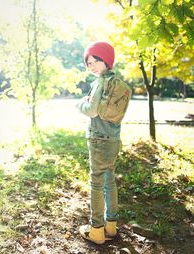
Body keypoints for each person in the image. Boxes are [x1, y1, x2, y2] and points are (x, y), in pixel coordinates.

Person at [76, 41, 122, 244]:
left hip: (98, 139)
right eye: (88, 63)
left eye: (95, 61)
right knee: (109, 180)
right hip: (113, 139)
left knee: (96, 183)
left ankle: (96, 230)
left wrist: (80, 103)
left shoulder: (99, 82)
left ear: (106, 60)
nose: (92, 66)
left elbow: (92, 111)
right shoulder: (115, 81)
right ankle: (111, 226)